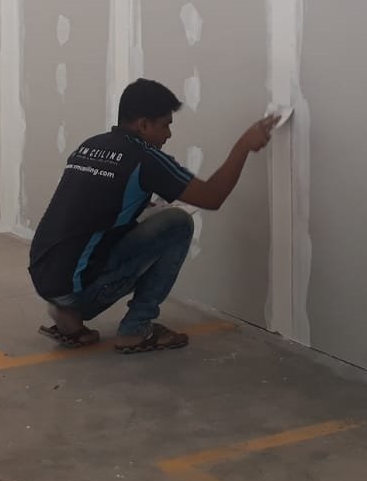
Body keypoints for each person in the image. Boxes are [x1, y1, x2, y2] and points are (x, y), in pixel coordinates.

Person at [28, 77, 278, 354]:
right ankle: (135, 329)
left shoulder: (91, 145)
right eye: (165, 125)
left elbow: (95, 206)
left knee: (147, 218)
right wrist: (244, 145)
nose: (168, 134)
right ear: (144, 125)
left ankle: (67, 316)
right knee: (178, 223)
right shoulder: (145, 158)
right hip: (78, 289)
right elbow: (212, 197)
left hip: (44, 276)